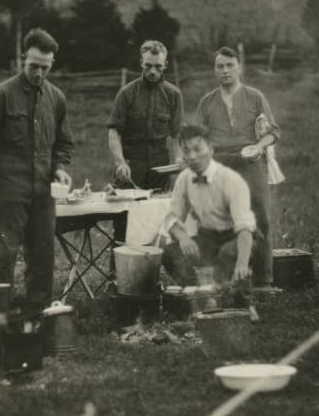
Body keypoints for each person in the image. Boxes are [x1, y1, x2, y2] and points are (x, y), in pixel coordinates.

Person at [0, 28, 74, 317]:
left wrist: (61, 168)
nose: (39, 73)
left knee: (42, 255)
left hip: (43, 192)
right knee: (2, 255)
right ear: (21, 59)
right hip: (7, 191)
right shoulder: (0, 95)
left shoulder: (56, 98)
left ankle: (36, 317)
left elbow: (64, 142)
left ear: (52, 64)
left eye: (45, 67)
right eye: (33, 66)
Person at [193, 46, 281, 288]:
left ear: (239, 67)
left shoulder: (255, 97)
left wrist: (258, 147)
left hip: (251, 162)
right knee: (217, 219)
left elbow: (273, 131)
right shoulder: (207, 102)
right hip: (219, 164)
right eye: (219, 66)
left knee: (260, 217)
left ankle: (264, 280)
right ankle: (223, 279)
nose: (225, 71)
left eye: (230, 65)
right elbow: (197, 136)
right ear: (215, 70)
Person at [161, 124, 259, 289]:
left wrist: (242, 263)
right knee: (170, 254)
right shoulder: (184, 179)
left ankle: (225, 292)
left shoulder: (230, 180)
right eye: (186, 151)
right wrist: (183, 238)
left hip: (236, 239)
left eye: (198, 149)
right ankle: (198, 293)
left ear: (211, 149)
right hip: (207, 239)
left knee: (227, 255)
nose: (192, 156)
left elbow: (245, 229)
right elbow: (171, 218)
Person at [107, 40, 184, 191]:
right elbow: (114, 132)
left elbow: (178, 132)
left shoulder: (174, 94)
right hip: (132, 162)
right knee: (127, 209)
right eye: (148, 66)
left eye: (158, 66)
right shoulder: (126, 93)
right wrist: (120, 162)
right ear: (141, 63)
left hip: (161, 163)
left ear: (165, 65)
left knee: (160, 208)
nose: (153, 71)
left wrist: (179, 160)